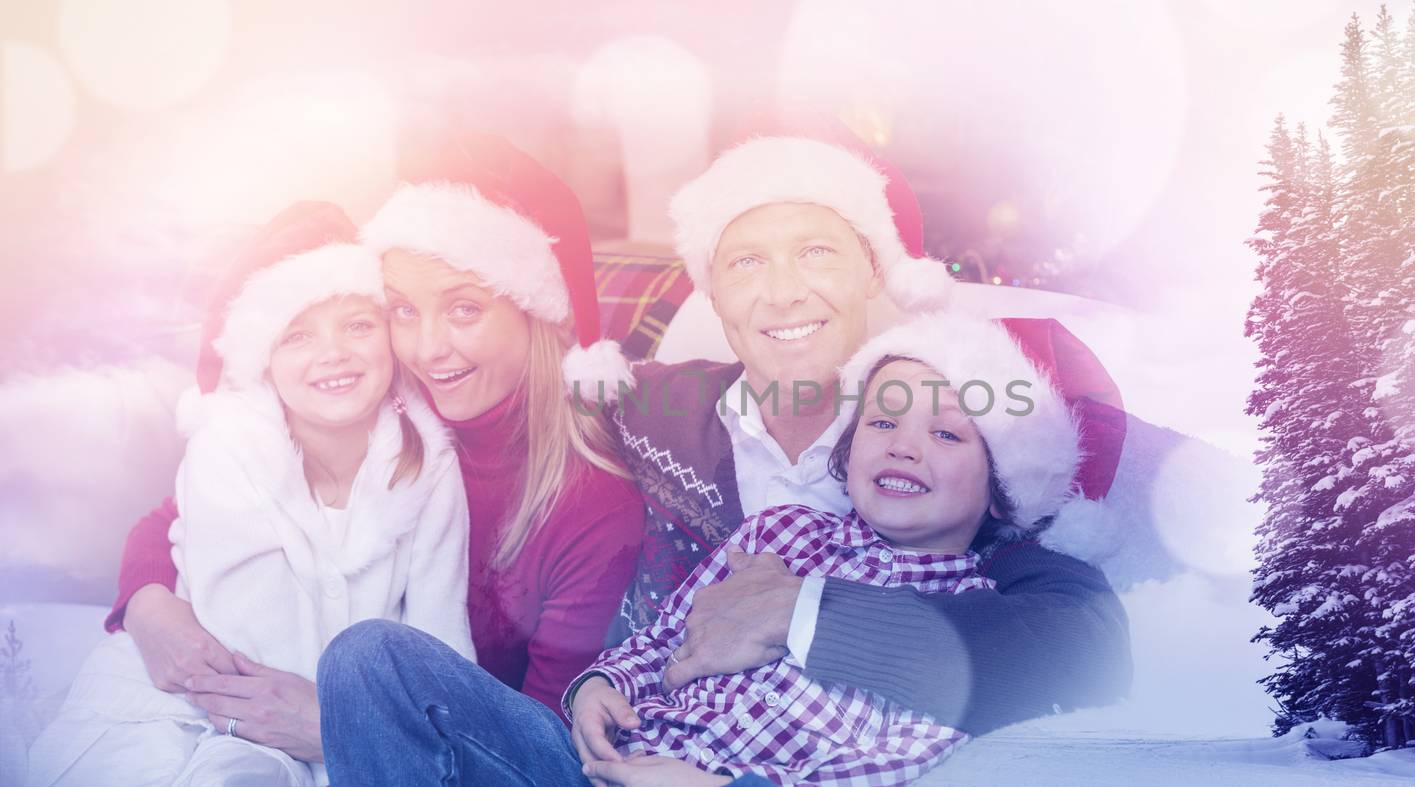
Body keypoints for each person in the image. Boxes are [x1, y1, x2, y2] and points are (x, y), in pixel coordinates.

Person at [317, 132, 1132, 786]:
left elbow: (1085, 646)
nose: (781, 293)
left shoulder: (968, 464)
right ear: (713, 289)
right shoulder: (644, 409)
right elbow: (482, 390)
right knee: (369, 657)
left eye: (816, 252)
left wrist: (798, 611)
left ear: (873, 272)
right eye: (746, 261)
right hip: (601, 747)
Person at [98, 132, 645, 763]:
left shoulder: (589, 503)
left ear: (533, 312)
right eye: (403, 311)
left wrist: (339, 726)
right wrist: (149, 607)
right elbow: (181, 515)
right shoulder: (381, 404)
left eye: (465, 310)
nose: (430, 348)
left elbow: (543, 746)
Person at [27, 203, 473, 787]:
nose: (333, 352)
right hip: (200, 688)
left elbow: (442, 641)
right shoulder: (229, 447)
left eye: (359, 325)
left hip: (316, 722)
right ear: (264, 360)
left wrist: (416, 730)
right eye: (297, 335)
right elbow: (246, 634)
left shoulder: (429, 461)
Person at [564, 313, 1113, 786]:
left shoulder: (968, 609)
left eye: (947, 434)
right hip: (603, 756)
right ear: (847, 451)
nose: (903, 445)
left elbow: (883, 769)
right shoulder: (778, 532)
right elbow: (659, 638)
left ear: (1003, 491)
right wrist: (598, 686)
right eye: (881, 422)